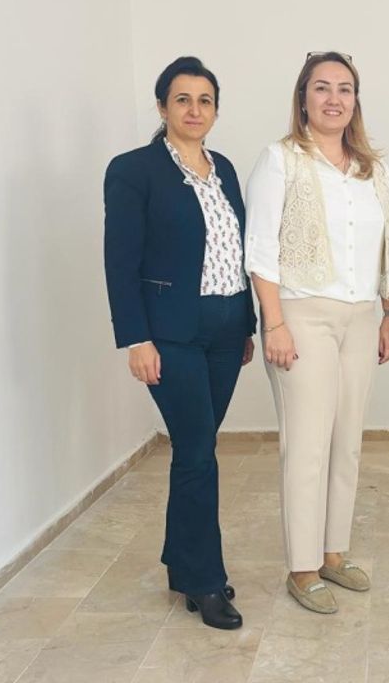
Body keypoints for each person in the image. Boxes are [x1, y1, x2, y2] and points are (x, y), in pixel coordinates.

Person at [103, 56, 256, 630]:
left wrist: (246, 325)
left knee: (197, 448)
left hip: (226, 331)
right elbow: (120, 262)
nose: (195, 110)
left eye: (205, 100)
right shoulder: (134, 170)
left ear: (216, 110)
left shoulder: (225, 170)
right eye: (183, 99)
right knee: (197, 452)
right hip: (171, 335)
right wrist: (136, 339)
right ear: (163, 106)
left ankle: (183, 562)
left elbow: (238, 251)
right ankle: (204, 580)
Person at [244, 51, 389, 614]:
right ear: (303, 98)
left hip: (361, 317)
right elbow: (260, 248)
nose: (334, 98)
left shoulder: (374, 169)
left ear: (356, 100)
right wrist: (274, 324)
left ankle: (334, 552)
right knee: (307, 444)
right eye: (322, 87)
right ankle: (302, 567)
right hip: (301, 314)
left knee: (347, 439)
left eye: (345, 88)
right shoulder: (280, 159)